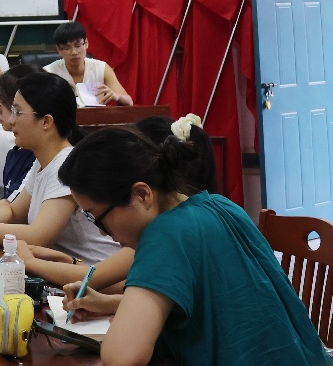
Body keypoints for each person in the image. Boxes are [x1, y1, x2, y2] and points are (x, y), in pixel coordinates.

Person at [57, 126, 329, 366]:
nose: (102, 233)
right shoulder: (221, 206)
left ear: (141, 194)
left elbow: (121, 357)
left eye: (98, 218)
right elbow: (215, 306)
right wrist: (110, 303)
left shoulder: (165, 235)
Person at [0, 72, 119, 266]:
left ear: (46, 121)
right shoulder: (43, 161)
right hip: (59, 269)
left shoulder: (66, 164)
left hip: (92, 272)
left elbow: (38, 236)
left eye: (18, 112)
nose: (11, 120)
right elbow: (12, 212)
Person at [15, 114, 218, 291]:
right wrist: (72, 263)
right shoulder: (208, 210)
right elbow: (135, 286)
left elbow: (97, 279)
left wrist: (30, 262)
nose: (103, 232)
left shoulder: (166, 232)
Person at [43, 22, 133, 106]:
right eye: (67, 48)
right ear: (58, 49)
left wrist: (117, 96)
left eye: (78, 46)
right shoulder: (49, 73)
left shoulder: (101, 68)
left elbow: (129, 102)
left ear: (86, 43)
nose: (74, 52)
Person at [0, 65, 39, 199]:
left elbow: (12, 209)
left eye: (2, 102)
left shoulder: (39, 156)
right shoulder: (15, 152)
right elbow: (11, 205)